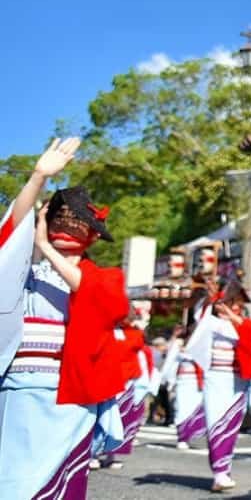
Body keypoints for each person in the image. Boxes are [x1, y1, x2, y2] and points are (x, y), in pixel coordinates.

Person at [0, 139, 133, 500]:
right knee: (13, 482)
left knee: (59, 481)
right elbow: (10, 234)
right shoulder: (24, 273)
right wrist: (38, 178)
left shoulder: (105, 277)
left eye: (76, 222)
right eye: (58, 218)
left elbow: (104, 302)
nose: (66, 226)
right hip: (20, 385)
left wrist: (45, 246)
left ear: (93, 234)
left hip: (71, 388)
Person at [184, 279, 251, 492]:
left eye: (238, 303)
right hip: (216, 378)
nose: (235, 306)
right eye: (231, 302)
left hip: (238, 381)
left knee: (230, 426)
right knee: (215, 424)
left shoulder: (244, 324)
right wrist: (211, 299)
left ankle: (223, 472)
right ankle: (219, 473)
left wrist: (233, 317)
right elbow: (199, 319)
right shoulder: (210, 322)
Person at [102, 308, 159, 469]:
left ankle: (113, 454)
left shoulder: (134, 334)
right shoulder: (108, 329)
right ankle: (94, 453)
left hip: (127, 383)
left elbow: (136, 346)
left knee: (123, 419)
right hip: (108, 380)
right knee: (103, 418)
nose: (129, 317)